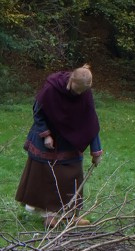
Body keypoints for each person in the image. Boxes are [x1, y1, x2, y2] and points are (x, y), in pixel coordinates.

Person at [15, 64, 103, 228]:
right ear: (70, 80)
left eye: (82, 91)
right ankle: (50, 214)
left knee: (73, 174)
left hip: (71, 138)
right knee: (48, 174)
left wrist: (96, 151)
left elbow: (90, 121)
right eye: (76, 89)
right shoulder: (51, 88)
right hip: (49, 137)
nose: (78, 94)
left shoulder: (84, 93)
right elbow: (37, 112)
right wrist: (46, 134)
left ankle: (70, 215)